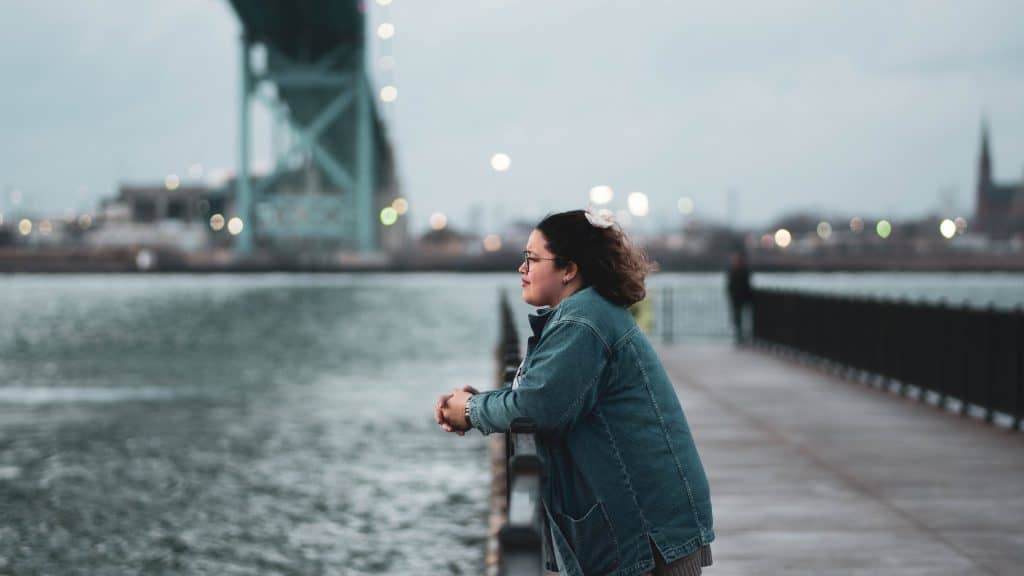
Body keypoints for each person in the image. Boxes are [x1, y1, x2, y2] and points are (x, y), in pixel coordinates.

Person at [435, 210, 715, 576]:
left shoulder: (583, 321)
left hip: (647, 528)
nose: (522, 269)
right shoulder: (586, 312)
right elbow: (547, 389)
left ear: (568, 269)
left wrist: (471, 410)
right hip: (653, 516)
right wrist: (481, 401)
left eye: (532, 259)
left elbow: (538, 407)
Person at [725, 249, 752, 344]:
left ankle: (742, 336)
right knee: (738, 318)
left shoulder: (740, 271)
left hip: (741, 298)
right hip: (737, 298)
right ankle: (740, 336)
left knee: (742, 318)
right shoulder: (737, 271)